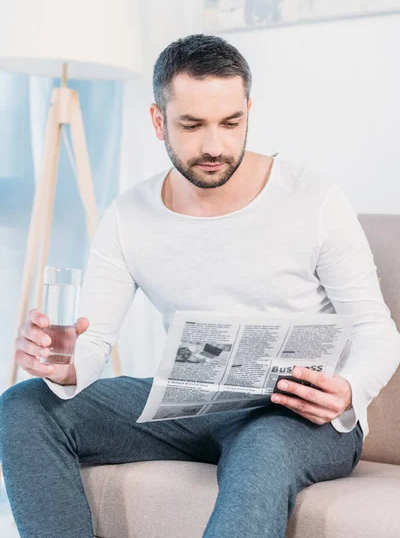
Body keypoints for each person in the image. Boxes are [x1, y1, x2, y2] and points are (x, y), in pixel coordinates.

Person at [1, 34, 399, 538]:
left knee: (263, 451)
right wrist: (61, 366)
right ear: (158, 120)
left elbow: (376, 329)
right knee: (24, 403)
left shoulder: (315, 201)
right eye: (192, 125)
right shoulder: (129, 215)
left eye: (231, 123)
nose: (215, 145)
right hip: (190, 406)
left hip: (295, 416)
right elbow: (93, 342)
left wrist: (347, 393)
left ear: (249, 110)